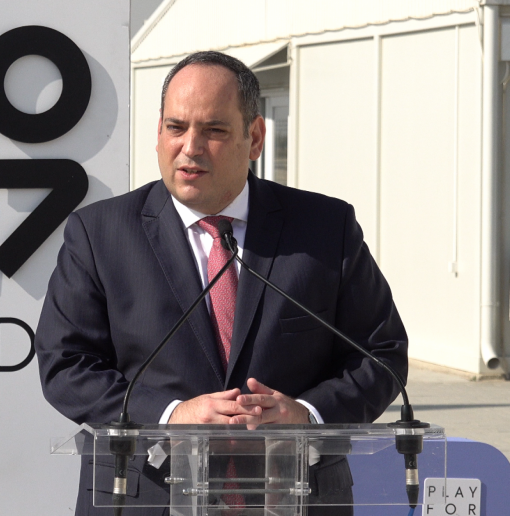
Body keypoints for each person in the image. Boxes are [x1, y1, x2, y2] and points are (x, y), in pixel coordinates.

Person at [34, 51, 408, 516]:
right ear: (158, 132)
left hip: (297, 497)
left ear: (255, 138)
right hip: (142, 497)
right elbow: (65, 364)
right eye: (176, 127)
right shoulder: (99, 234)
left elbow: (381, 353)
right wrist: (170, 416)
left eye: (213, 130)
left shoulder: (325, 228)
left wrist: (308, 416)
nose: (190, 147)